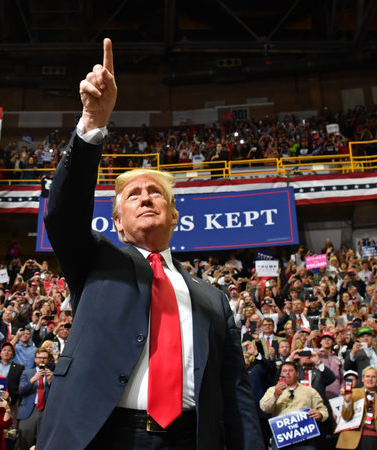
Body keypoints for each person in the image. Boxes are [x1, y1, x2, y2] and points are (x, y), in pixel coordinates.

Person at [38, 38, 263, 450]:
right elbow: (63, 214)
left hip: (188, 439)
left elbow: (236, 394)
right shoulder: (96, 261)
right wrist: (92, 124)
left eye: (156, 193)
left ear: (174, 215)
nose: (145, 197)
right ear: (117, 223)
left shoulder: (214, 300)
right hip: (100, 435)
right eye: (133, 195)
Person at [259, 362, 328, 450]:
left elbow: (323, 409)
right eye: (284, 371)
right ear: (281, 374)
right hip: (281, 438)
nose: (287, 373)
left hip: (305, 439)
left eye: (291, 370)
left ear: (297, 374)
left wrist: (320, 414)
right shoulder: (272, 390)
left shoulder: (310, 391)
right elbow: (264, 408)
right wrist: (275, 395)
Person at [336, 366, 377, 450]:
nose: (370, 379)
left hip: (375, 441)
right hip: (352, 441)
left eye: (373, 377)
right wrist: (347, 402)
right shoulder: (352, 393)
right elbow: (346, 417)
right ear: (362, 379)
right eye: (367, 376)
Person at [17, 349, 52, 450]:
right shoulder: (27, 373)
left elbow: (58, 396)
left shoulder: (53, 374)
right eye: (39, 358)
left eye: (44, 358)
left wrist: (51, 382)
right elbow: (21, 391)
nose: (42, 360)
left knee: (42, 441)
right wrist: (32, 380)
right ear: (35, 359)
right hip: (29, 410)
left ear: (48, 360)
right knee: (24, 440)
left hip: (45, 410)